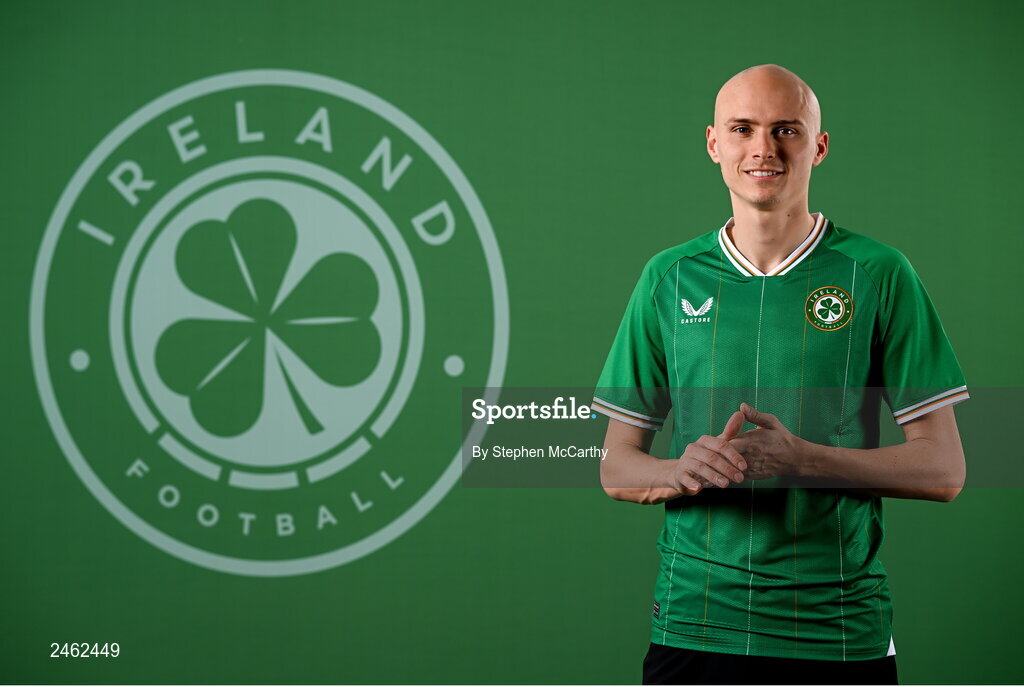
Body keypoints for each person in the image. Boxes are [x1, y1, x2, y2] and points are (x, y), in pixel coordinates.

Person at [592, 64, 968, 685]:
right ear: (715, 144)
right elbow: (616, 466)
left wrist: (801, 460)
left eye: (786, 129)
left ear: (817, 146)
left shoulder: (878, 273)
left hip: (837, 629)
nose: (764, 148)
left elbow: (945, 469)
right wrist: (676, 471)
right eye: (743, 129)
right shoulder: (668, 277)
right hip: (694, 624)